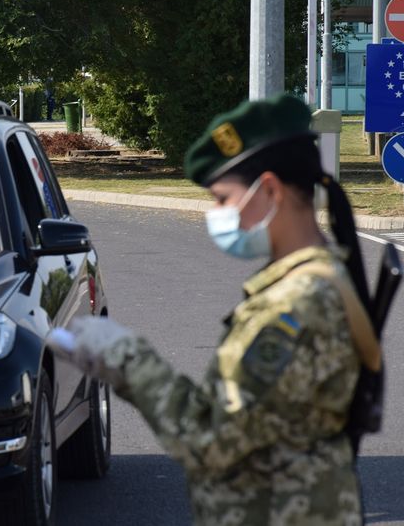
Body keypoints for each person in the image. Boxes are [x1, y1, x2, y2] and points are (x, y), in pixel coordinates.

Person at [47, 94, 379, 525]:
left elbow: (212, 441)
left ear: (270, 191)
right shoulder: (315, 279)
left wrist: (127, 360)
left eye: (223, 198)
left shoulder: (296, 303)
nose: (216, 213)